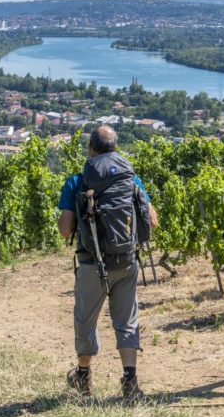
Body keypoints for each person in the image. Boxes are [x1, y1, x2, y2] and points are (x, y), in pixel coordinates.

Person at [58, 125, 158, 401]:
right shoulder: (130, 180)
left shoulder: (77, 182)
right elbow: (152, 220)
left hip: (92, 263)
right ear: (115, 148)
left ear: (90, 149)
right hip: (126, 261)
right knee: (127, 320)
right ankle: (130, 380)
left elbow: (65, 230)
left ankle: (83, 376)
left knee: (85, 320)